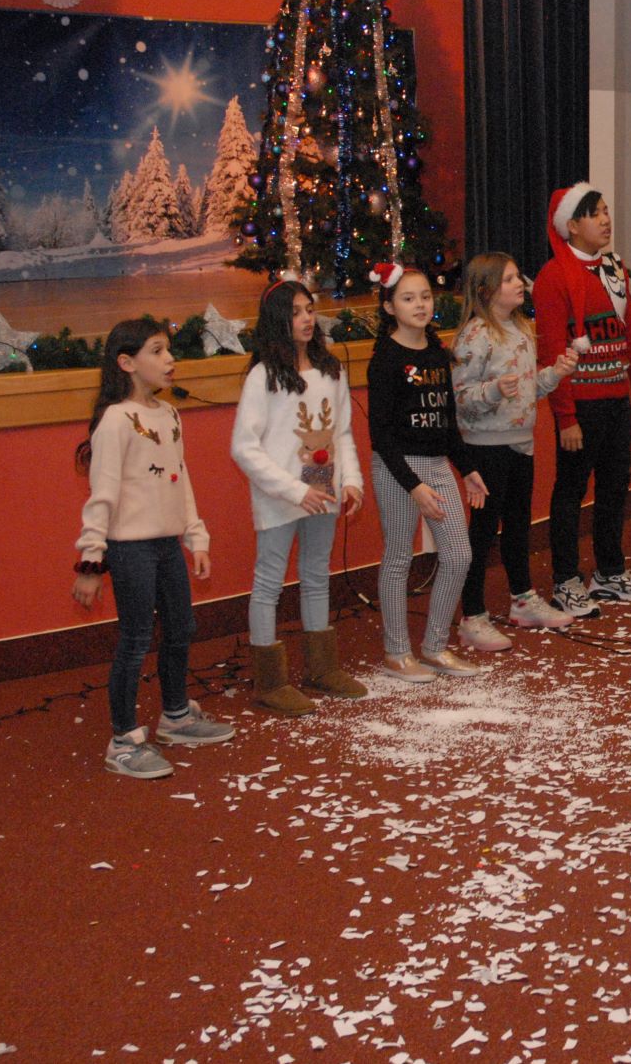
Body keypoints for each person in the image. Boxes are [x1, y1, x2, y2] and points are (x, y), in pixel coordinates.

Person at [73, 317, 235, 779]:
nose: (170, 360)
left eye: (169, 350)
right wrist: (90, 563)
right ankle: (123, 740)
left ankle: (176, 716)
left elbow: (180, 480)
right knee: (136, 638)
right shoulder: (115, 421)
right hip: (130, 550)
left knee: (181, 627)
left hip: (167, 545)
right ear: (127, 363)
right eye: (158, 351)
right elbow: (102, 497)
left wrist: (195, 536)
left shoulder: (168, 415)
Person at [229, 280, 368, 716]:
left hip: (322, 488)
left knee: (316, 575)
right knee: (269, 583)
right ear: (277, 320)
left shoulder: (330, 369)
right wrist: (293, 490)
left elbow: (342, 433)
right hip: (282, 495)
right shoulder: (264, 376)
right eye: (295, 312)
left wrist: (351, 481)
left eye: (309, 309)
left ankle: (322, 668)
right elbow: (244, 447)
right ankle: (270, 682)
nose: (306, 319)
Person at [532, 183, 631, 617]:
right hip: (580, 405)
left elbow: (630, 335)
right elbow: (552, 354)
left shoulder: (614, 269)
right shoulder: (552, 278)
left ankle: (609, 571)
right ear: (571, 226)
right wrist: (566, 416)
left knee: (614, 486)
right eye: (595, 213)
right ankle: (566, 580)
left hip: (615, 399)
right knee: (570, 491)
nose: (606, 220)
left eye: (606, 211)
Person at [366, 262, 489, 681]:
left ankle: (435, 646)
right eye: (408, 298)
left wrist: (467, 469)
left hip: (437, 466)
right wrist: (414, 486)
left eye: (425, 296)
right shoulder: (385, 360)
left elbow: (446, 422)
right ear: (389, 307)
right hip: (398, 469)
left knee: (459, 555)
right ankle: (397, 652)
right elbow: (381, 436)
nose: (420, 305)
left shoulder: (437, 354)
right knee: (399, 556)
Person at [451, 253, 579, 647]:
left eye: (517, 277)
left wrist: (554, 374)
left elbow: (527, 388)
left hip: (521, 443)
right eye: (508, 279)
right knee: (483, 531)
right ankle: (472, 615)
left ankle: (522, 599)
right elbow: (459, 397)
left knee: (519, 525)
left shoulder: (522, 329)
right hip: (485, 447)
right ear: (486, 290)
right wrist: (491, 391)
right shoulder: (475, 335)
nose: (519, 283)